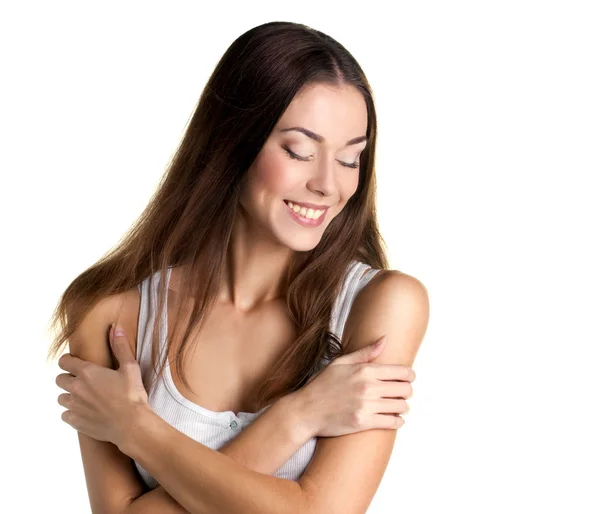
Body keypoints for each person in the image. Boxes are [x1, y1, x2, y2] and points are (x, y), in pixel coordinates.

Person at [48, 21, 429, 514]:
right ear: (232, 141)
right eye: (300, 151)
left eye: (351, 159)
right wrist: (298, 416)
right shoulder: (109, 313)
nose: (328, 185)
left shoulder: (381, 306)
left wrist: (136, 427)